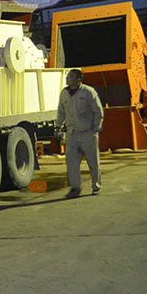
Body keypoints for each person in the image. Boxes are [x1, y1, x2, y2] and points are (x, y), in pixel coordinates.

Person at [55, 68, 104, 197]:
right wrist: (57, 126)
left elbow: (98, 111)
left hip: (88, 132)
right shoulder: (64, 93)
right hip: (72, 133)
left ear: (79, 79)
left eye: (71, 76)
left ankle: (96, 186)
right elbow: (61, 112)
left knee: (93, 161)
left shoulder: (88, 92)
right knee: (71, 161)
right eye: (68, 76)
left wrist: (96, 128)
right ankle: (75, 188)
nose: (68, 79)